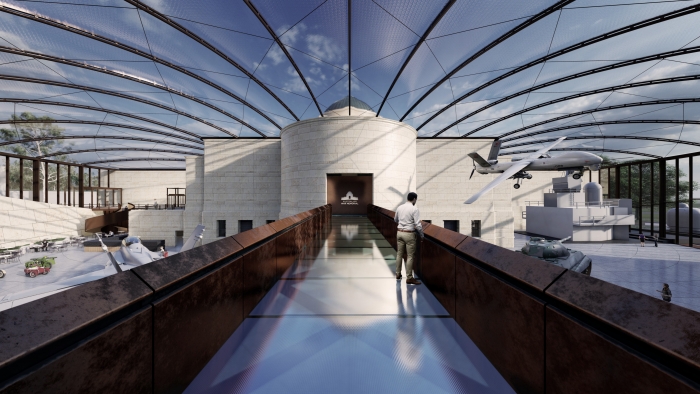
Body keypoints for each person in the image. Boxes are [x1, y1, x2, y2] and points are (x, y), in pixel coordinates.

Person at [394, 192, 424, 285]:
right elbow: (418, 225)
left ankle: (398, 274)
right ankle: (409, 278)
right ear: (414, 199)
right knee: (410, 256)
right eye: (416, 200)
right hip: (409, 234)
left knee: (399, 254)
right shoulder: (414, 209)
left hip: (399, 233)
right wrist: (422, 235)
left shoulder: (399, 207)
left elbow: (395, 219)